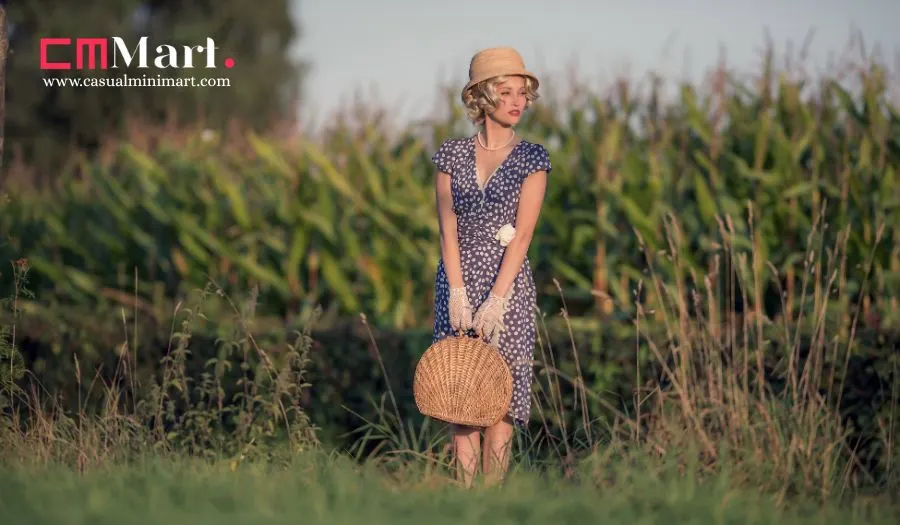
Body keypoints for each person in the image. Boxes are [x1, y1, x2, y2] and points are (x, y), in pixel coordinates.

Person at [430, 46, 551, 487]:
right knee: (461, 402)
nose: (517, 101)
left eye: (522, 92)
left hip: (509, 287)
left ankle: (493, 503)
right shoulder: (451, 154)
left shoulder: (532, 157)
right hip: (458, 280)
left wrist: (497, 300)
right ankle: (465, 504)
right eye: (506, 91)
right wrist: (457, 293)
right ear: (483, 97)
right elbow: (447, 229)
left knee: (501, 407)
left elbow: (523, 234)